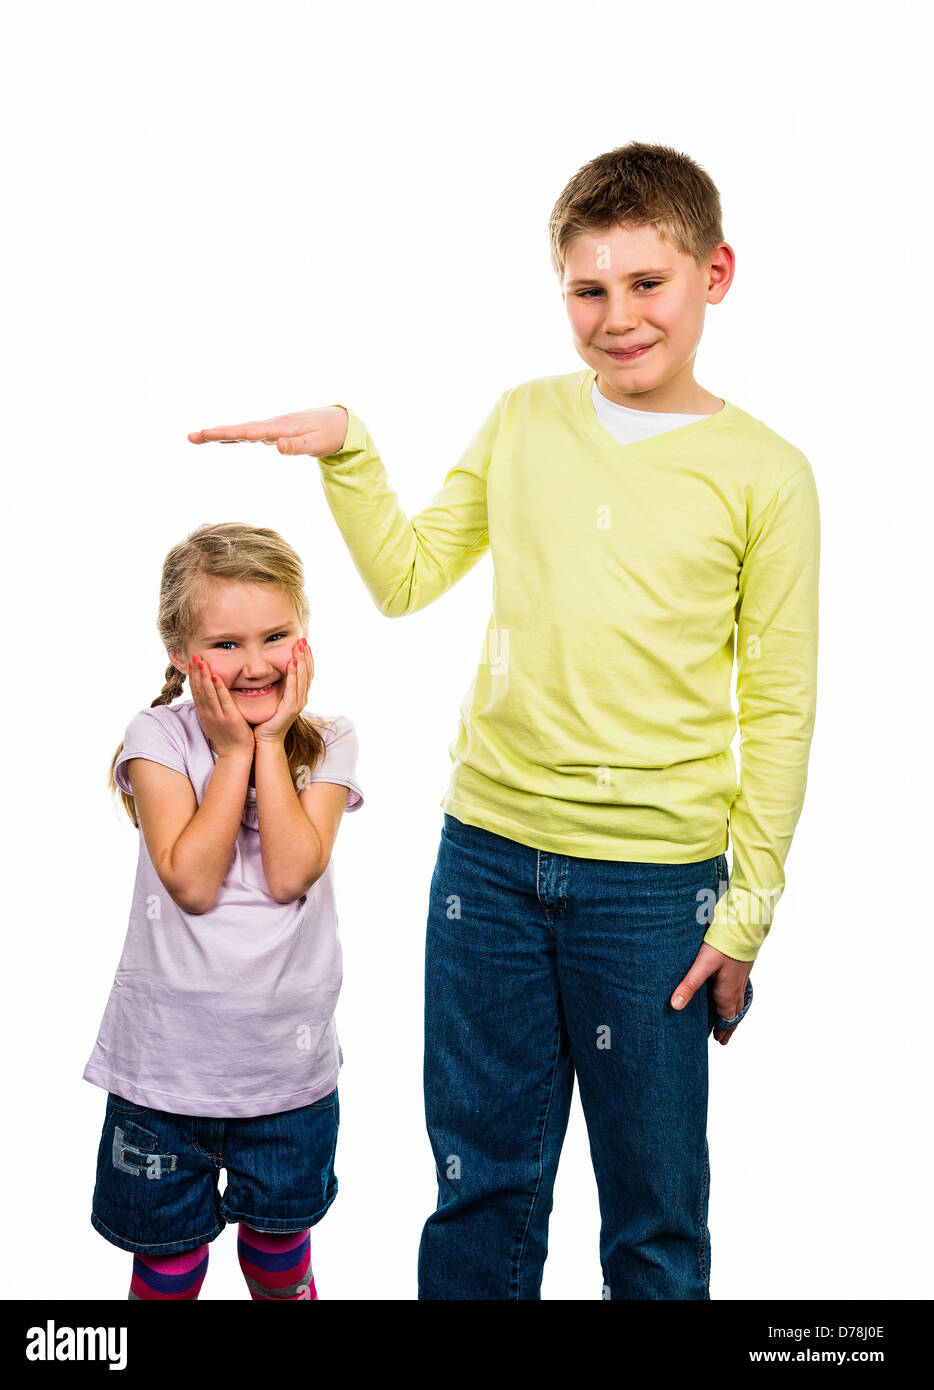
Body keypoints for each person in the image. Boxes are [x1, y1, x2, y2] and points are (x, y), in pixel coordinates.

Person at [187, 140, 819, 1300]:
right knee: (478, 1194)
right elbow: (410, 576)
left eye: (646, 284)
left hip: (651, 886)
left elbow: (778, 708)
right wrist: (351, 451)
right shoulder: (526, 417)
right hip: (487, 862)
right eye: (587, 289)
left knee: (654, 1220)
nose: (616, 316)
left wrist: (747, 913)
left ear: (713, 274)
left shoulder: (765, 474)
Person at [83, 522, 364, 1299]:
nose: (256, 663)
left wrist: (270, 745)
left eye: (277, 635)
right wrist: (233, 752)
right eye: (227, 643)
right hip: (165, 1075)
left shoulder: (328, 739)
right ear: (180, 653)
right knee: (167, 1260)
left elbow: (290, 871)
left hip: (286, 1073)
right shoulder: (158, 737)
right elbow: (192, 881)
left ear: (304, 635)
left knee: (280, 1249)